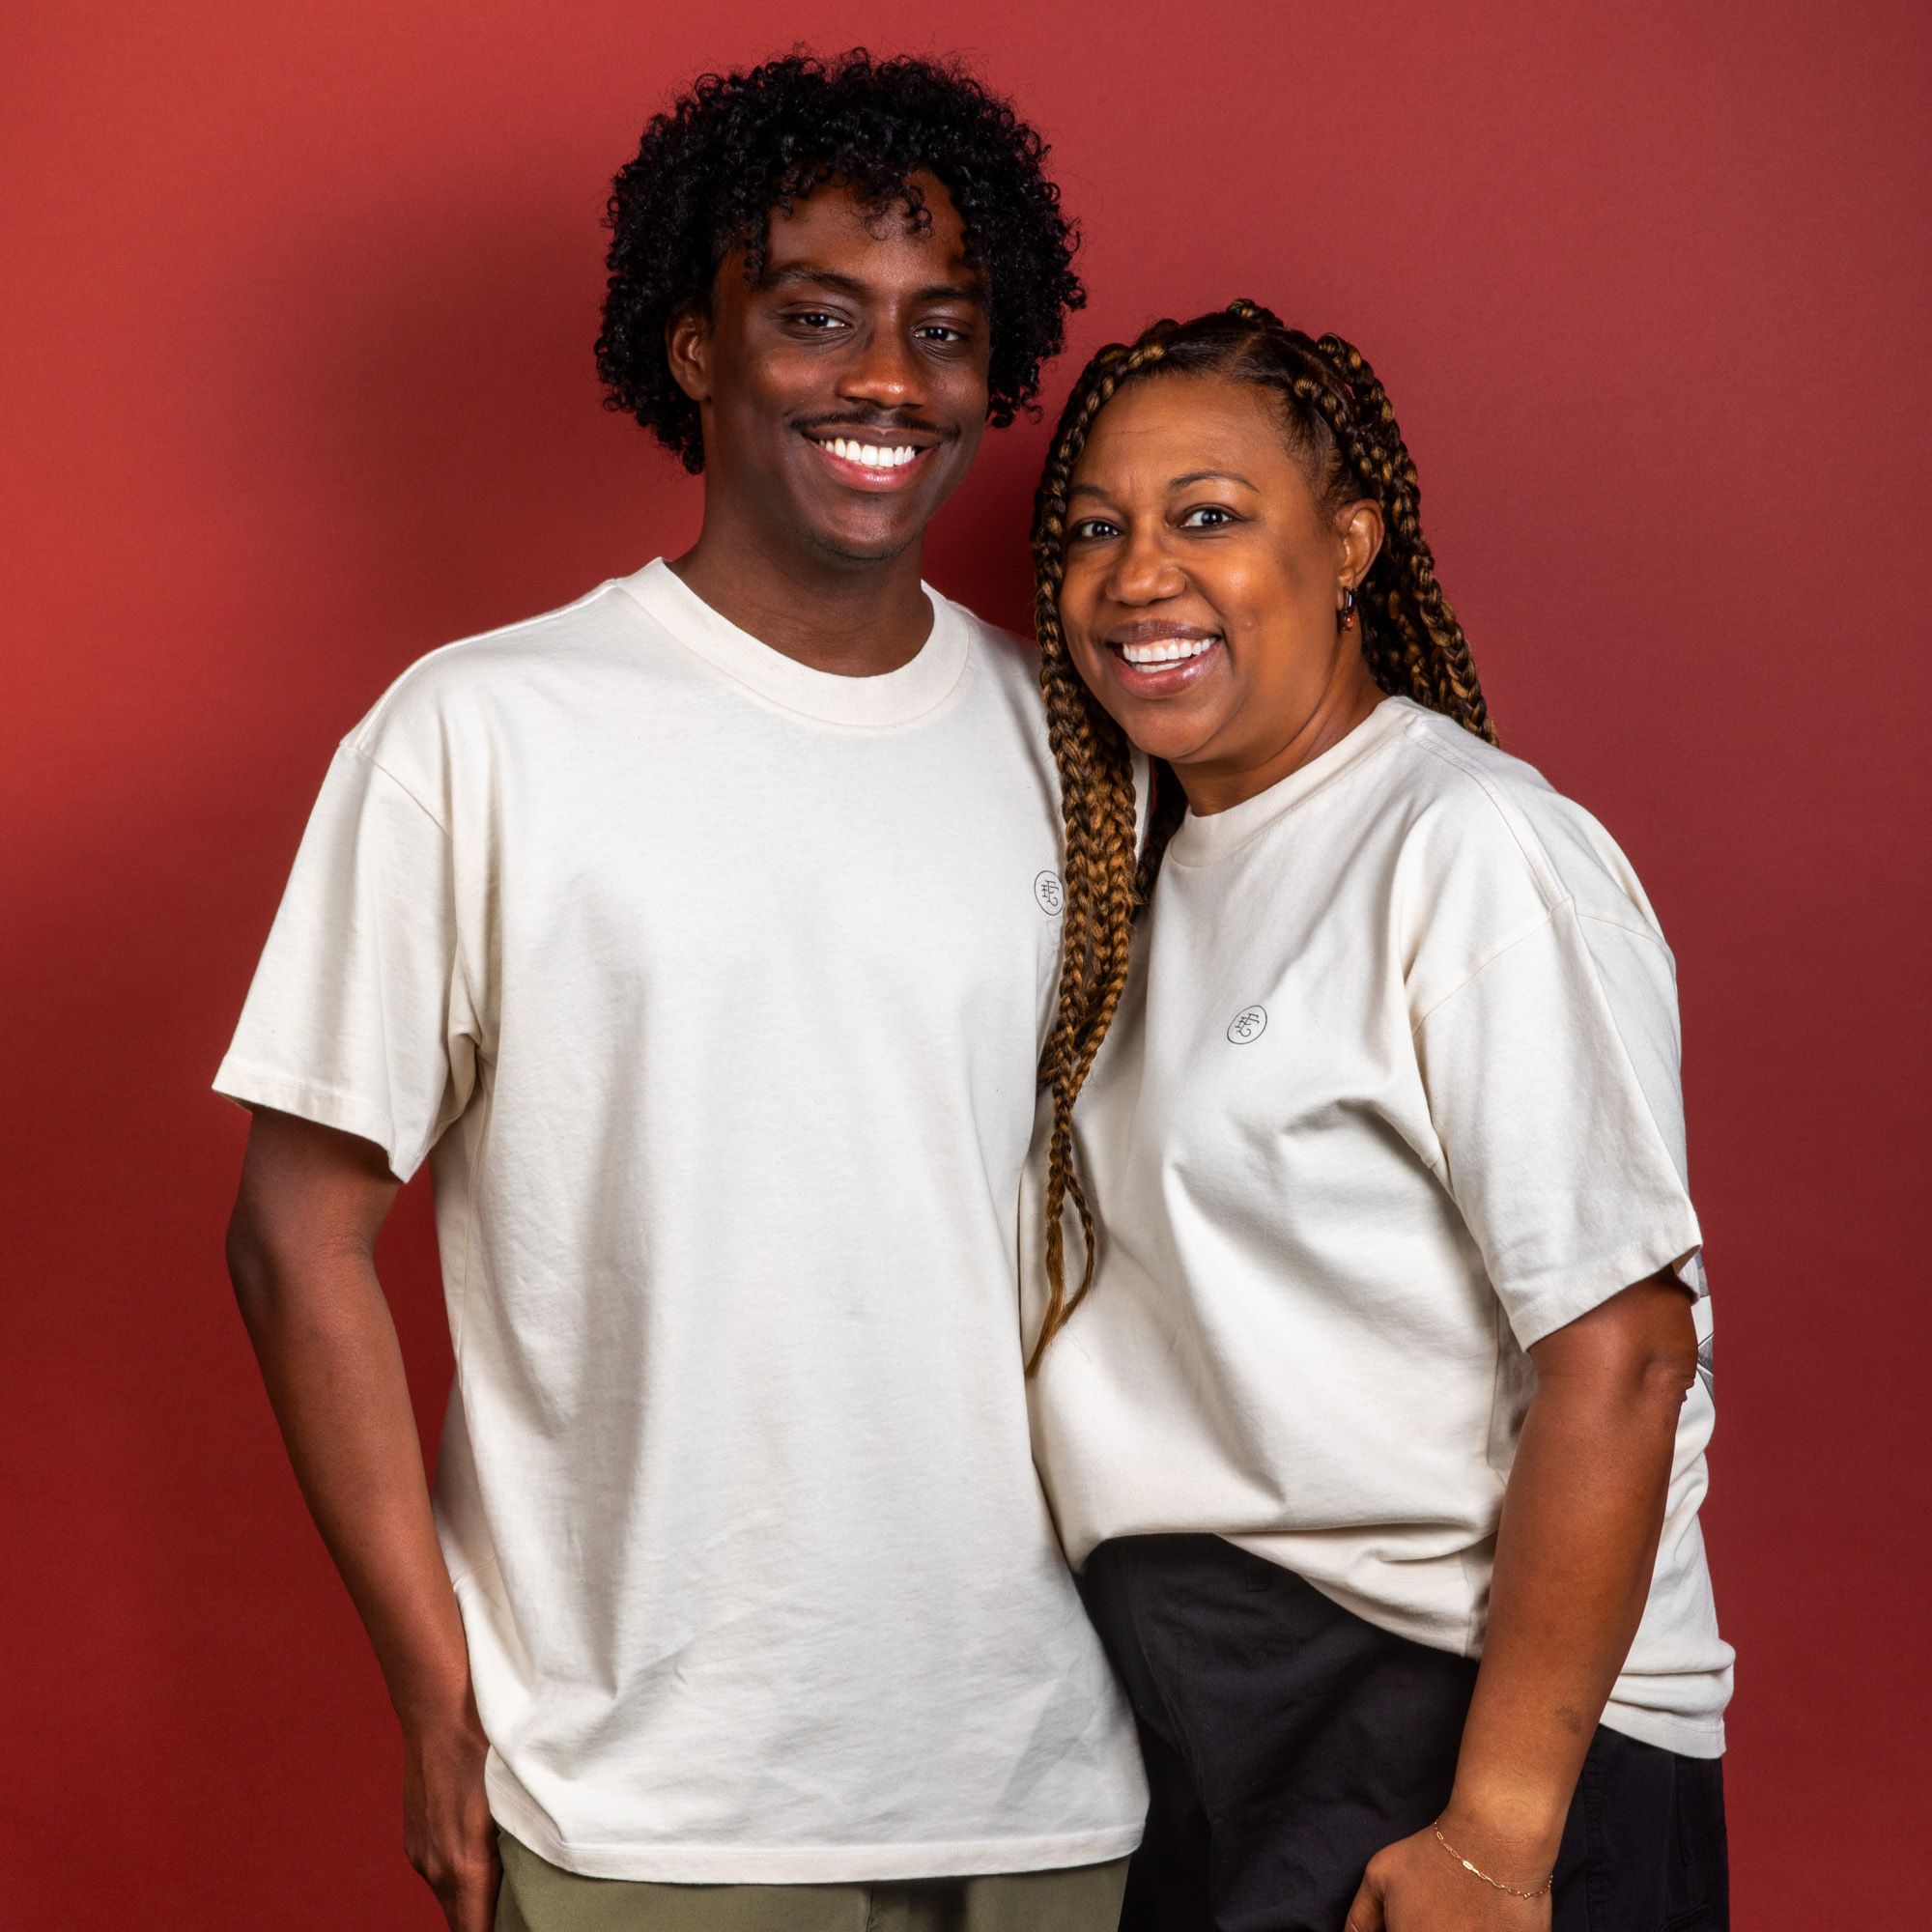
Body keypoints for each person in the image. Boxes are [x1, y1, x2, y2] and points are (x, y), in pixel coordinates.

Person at [216, 51, 1145, 1932]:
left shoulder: (1084, 753)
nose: (886, 379)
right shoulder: (481, 734)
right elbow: (293, 1237)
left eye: (940, 328)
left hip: (1052, 1770)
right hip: (637, 1792)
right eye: (814, 315)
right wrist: (434, 1692)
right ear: (696, 345)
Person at [1021, 301, 1733, 1931]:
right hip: (1211, 1717)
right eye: (1094, 530)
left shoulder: (1470, 848)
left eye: (1209, 516)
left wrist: (1498, 1830)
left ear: (1349, 543)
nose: (1137, 575)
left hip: (1455, 1714)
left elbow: (1622, 1351)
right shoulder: (1126, 883)